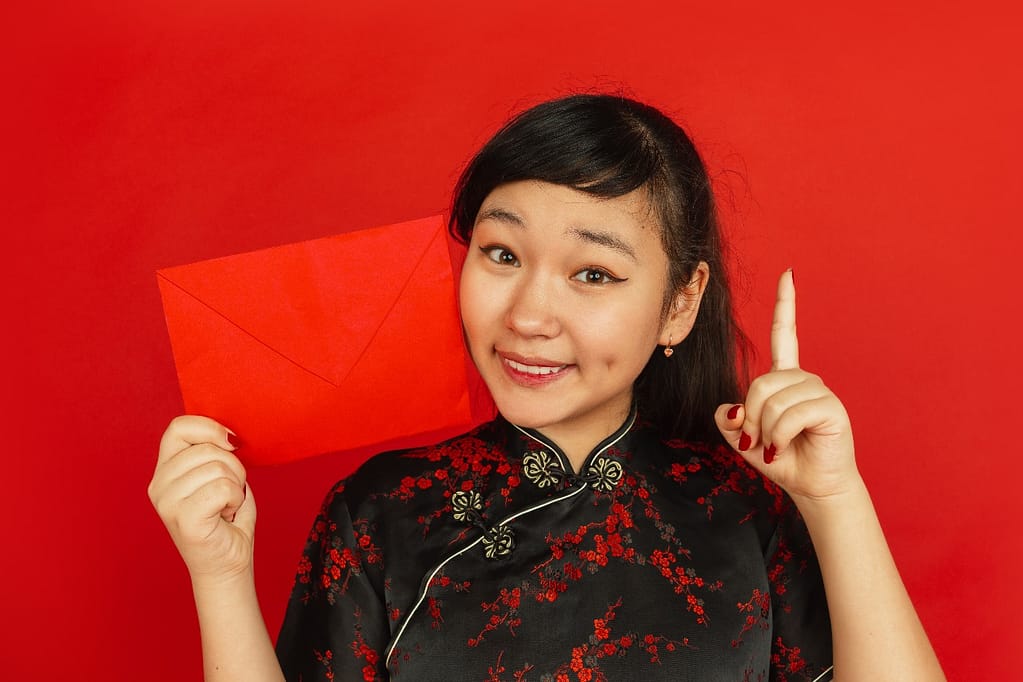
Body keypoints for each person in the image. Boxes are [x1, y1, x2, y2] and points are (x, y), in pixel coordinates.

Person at [149, 94, 945, 681]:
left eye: (592, 273)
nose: (528, 315)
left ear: (679, 303)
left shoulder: (743, 513)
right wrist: (218, 574)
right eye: (501, 254)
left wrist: (835, 498)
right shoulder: (380, 513)